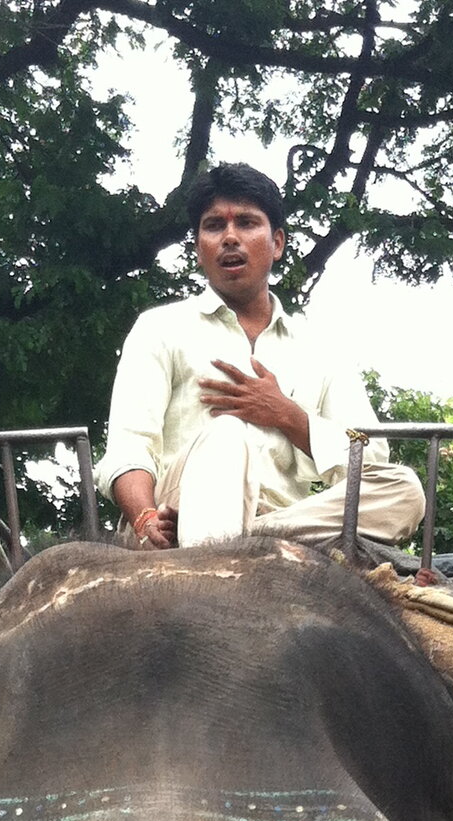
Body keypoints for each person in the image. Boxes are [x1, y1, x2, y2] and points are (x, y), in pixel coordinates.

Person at [94, 163, 426, 550]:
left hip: (288, 520)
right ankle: (217, 543)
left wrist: (286, 415)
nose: (230, 237)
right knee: (226, 434)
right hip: (175, 511)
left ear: (278, 243)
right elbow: (129, 448)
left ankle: (246, 539)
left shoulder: (318, 347)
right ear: (199, 248)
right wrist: (145, 518)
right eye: (215, 225)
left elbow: (368, 458)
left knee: (405, 490)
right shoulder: (159, 328)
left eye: (247, 223)